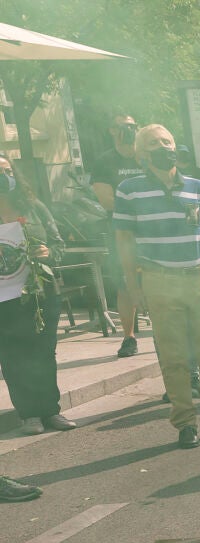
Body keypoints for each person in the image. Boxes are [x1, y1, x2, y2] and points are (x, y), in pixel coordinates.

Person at [113, 124, 200, 449]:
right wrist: (133, 286)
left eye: (167, 141)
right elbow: (124, 240)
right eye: (153, 143)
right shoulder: (129, 191)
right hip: (159, 280)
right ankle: (185, 424)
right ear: (141, 155)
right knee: (174, 359)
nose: (163, 147)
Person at [0, 160, 75, 435]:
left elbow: (58, 244)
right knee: (13, 356)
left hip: (41, 292)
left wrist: (48, 253)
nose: (4, 176)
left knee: (44, 352)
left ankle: (51, 410)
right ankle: (29, 414)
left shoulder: (34, 207)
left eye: (8, 171)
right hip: (4, 300)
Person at [90, 113, 147, 359]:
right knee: (125, 283)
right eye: (123, 126)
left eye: (133, 126)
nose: (129, 130)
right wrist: (142, 208)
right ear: (112, 131)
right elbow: (106, 201)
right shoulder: (104, 162)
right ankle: (129, 336)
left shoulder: (145, 156)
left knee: (159, 279)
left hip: (154, 230)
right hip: (123, 231)